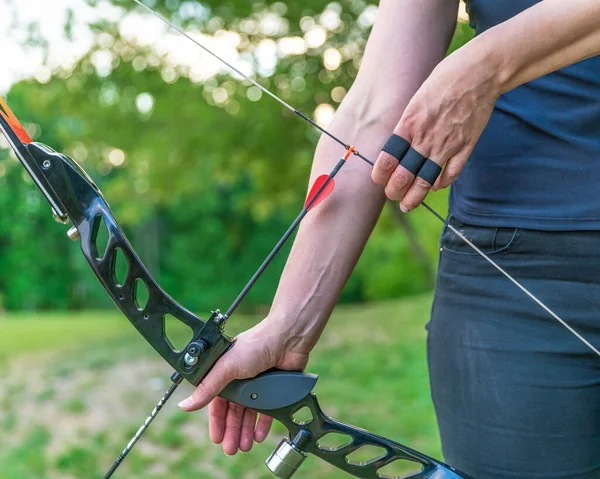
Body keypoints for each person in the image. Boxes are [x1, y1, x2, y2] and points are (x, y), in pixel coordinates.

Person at [178, 1, 600, 477]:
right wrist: (287, 326)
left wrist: (488, 62)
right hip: (508, 291)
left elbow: (481, 68)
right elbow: (376, 108)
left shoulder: (485, 61)